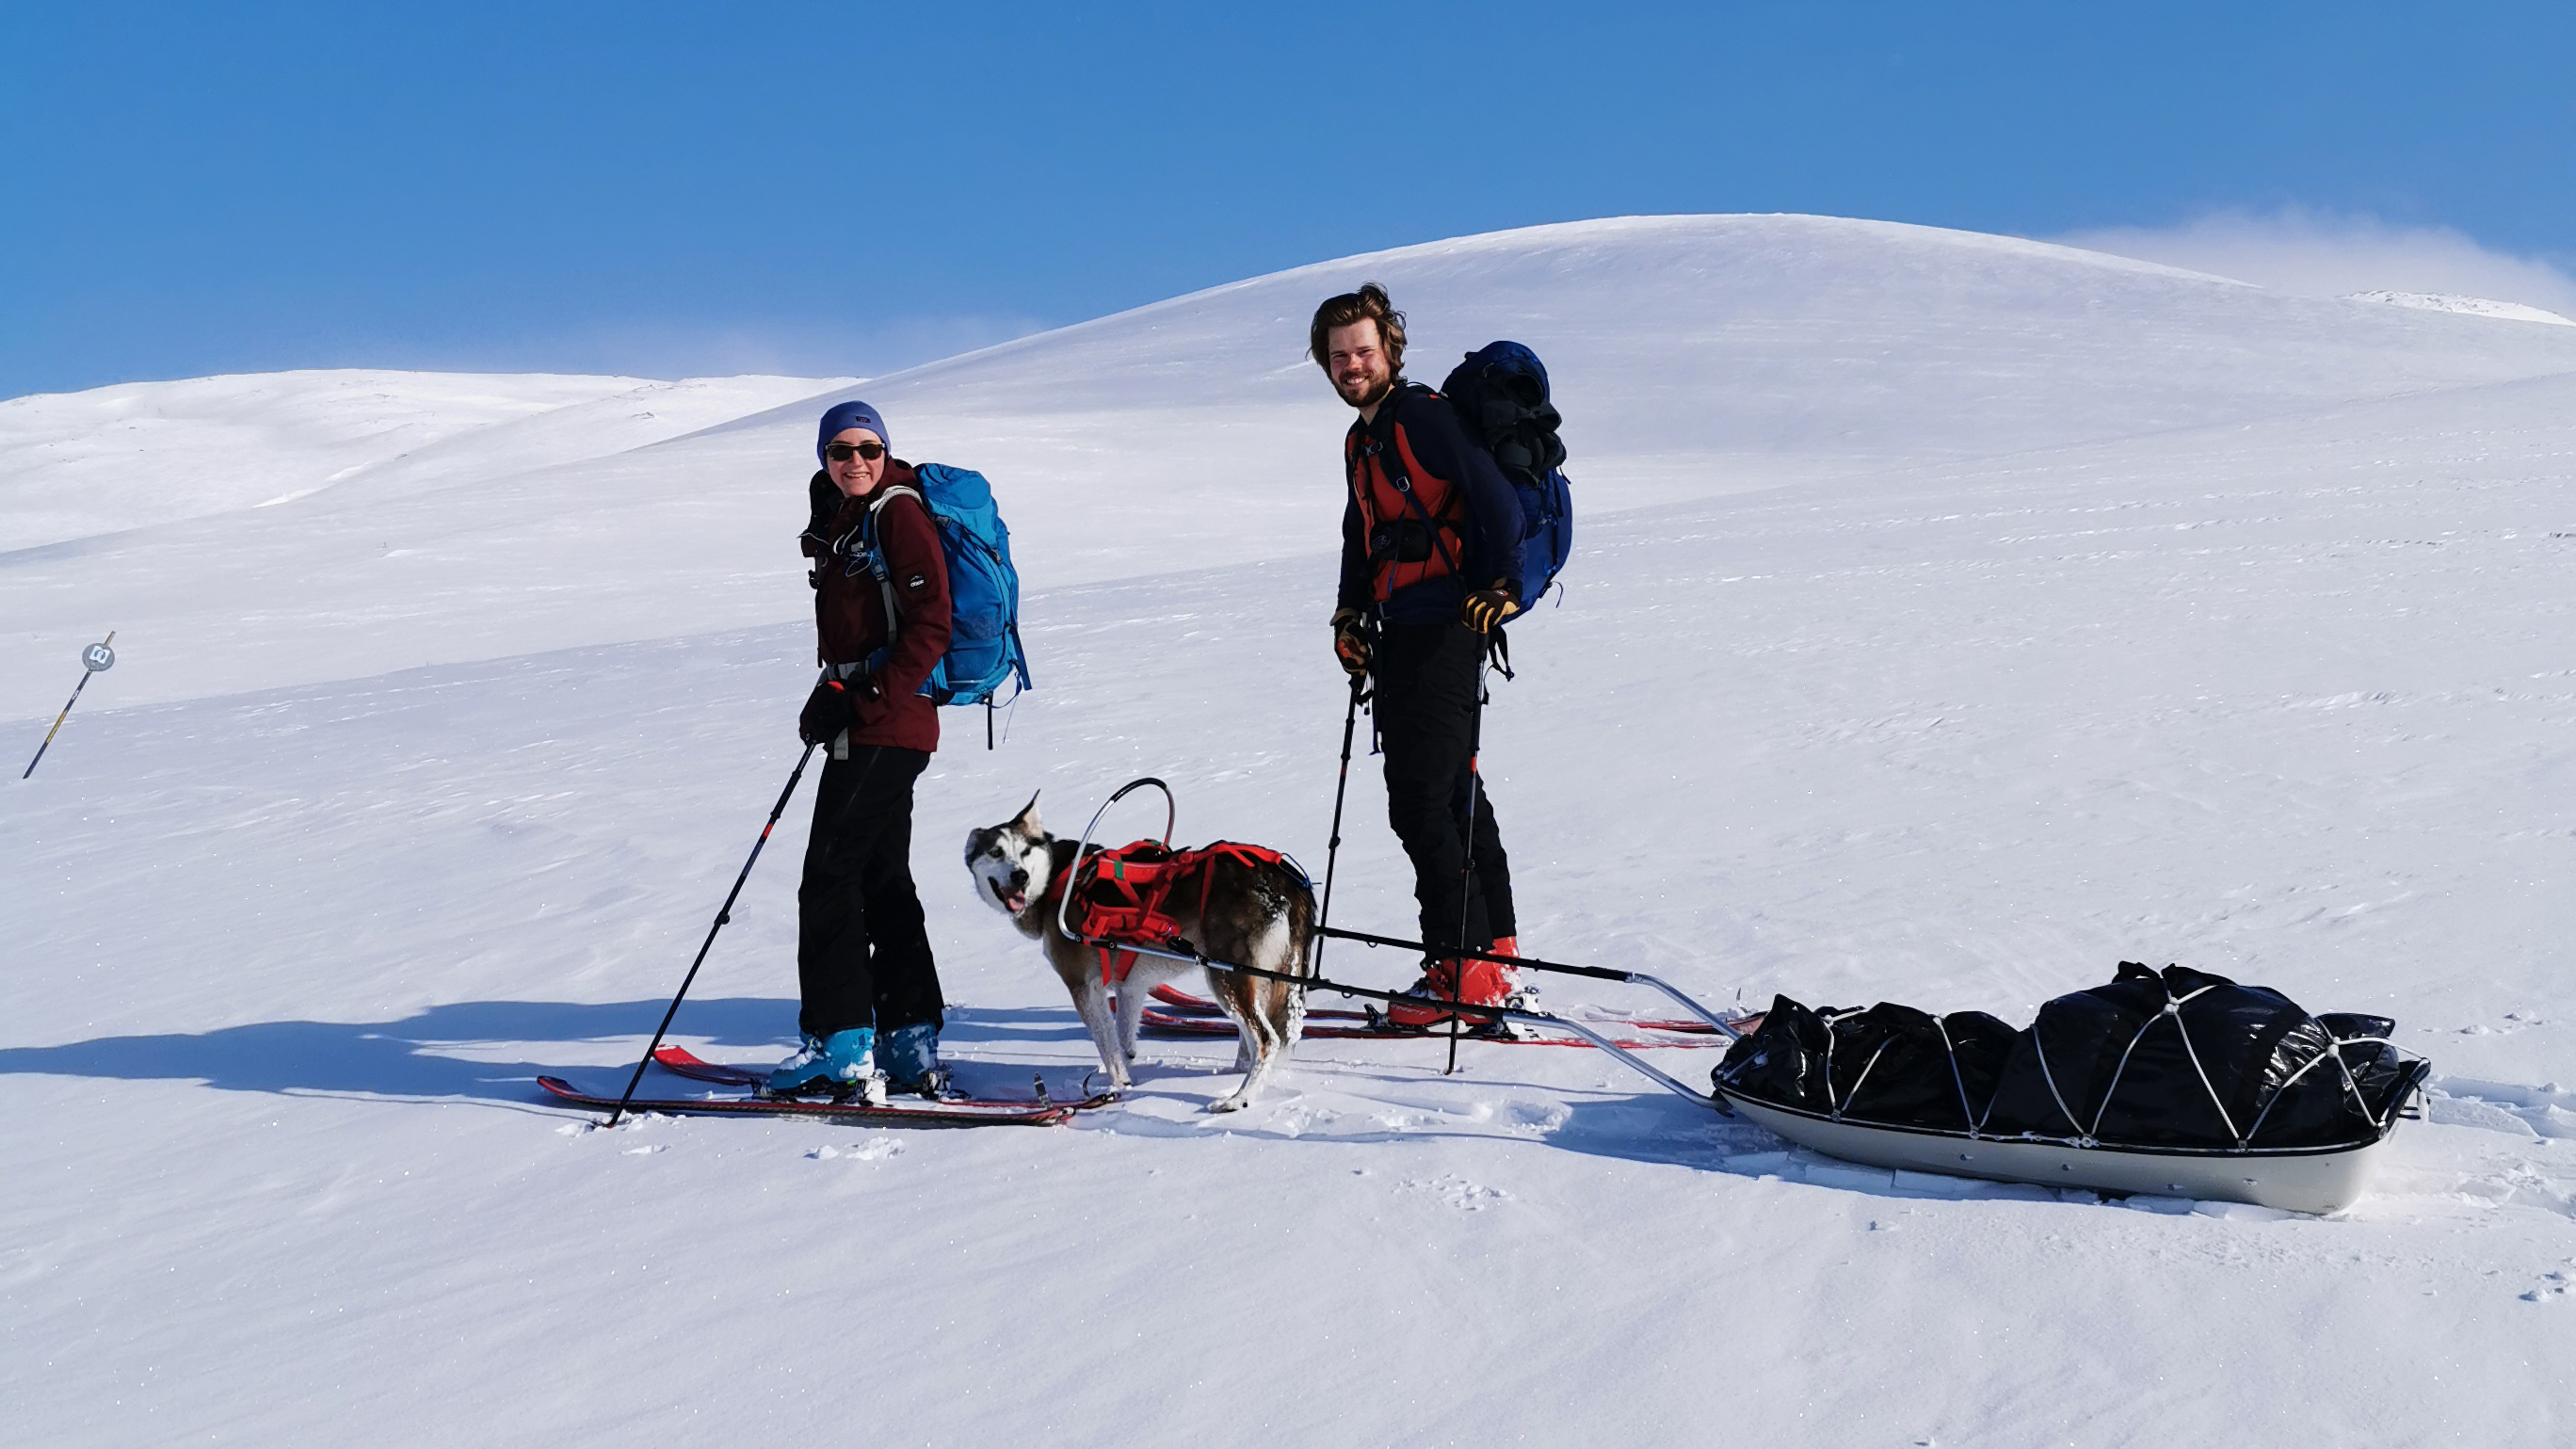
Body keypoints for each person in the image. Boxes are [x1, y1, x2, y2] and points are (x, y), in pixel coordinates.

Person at [1312, 284, 1527, 1027]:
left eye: (1363, 351)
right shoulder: (1362, 439)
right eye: (1339, 357)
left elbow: (1492, 496)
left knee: (1421, 801)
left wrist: (1506, 586)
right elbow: (1359, 533)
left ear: (1389, 350)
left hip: (1445, 628)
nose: (1352, 365)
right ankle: (1493, 953)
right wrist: (1348, 611)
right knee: (1455, 793)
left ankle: (1460, 973)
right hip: (1400, 631)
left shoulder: (1424, 418)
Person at [768, 399, 955, 1099]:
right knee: (880, 875)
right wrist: (835, 690)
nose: (856, 461)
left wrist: (859, 697)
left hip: (887, 725)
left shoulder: (895, 514)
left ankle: (839, 1042)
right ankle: (908, 1036)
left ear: (886, 451)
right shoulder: (847, 522)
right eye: (841, 450)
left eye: (869, 449)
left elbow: (930, 627)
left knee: (828, 877)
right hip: (874, 720)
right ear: (823, 457)